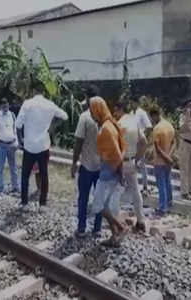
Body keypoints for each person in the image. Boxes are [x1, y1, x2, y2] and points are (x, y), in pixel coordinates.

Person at [16, 79, 68, 212]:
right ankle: (43, 204)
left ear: (33, 91)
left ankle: (24, 203)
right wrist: (52, 127)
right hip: (43, 146)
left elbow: (18, 124)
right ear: (43, 91)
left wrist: (21, 140)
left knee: (25, 175)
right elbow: (65, 116)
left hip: (29, 146)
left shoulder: (27, 104)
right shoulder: (50, 104)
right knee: (44, 174)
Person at [90, 97, 128, 247]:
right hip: (112, 170)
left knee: (98, 206)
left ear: (97, 110)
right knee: (105, 206)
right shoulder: (111, 123)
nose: (92, 114)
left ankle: (121, 227)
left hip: (108, 171)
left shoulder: (106, 128)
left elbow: (117, 154)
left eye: (92, 110)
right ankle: (114, 237)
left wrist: (120, 172)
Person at [71, 85, 102, 238]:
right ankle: (97, 228)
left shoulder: (84, 117)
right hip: (102, 167)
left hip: (87, 166)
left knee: (83, 198)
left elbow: (78, 142)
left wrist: (73, 163)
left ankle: (82, 228)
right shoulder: (105, 117)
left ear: (88, 98)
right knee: (100, 198)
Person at [113, 97, 147, 232]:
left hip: (121, 162)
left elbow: (117, 148)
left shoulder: (119, 124)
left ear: (120, 109)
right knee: (135, 191)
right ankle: (141, 220)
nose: (114, 114)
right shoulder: (135, 122)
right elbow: (144, 142)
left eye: (115, 111)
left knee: (115, 191)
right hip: (132, 161)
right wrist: (137, 158)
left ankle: (115, 221)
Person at [150, 107, 175, 218]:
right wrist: (169, 157)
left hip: (160, 161)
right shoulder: (169, 125)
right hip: (168, 159)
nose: (151, 120)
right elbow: (174, 142)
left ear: (154, 115)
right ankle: (170, 202)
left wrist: (165, 158)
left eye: (151, 117)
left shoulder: (157, 129)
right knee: (167, 181)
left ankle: (162, 208)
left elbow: (157, 148)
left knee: (161, 184)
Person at [133, 96, 153, 195]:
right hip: (131, 141)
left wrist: (143, 137)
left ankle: (145, 186)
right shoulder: (130, 113)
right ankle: (132, 185)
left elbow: (149, 127)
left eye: (132, 103)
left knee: (141, 163)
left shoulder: (141, 113)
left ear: (136, 103)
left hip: (140, 142)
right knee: (132, 163)